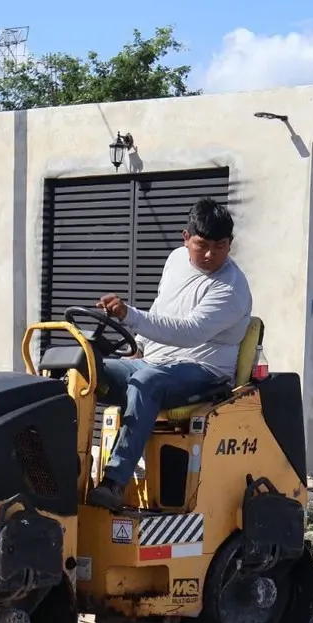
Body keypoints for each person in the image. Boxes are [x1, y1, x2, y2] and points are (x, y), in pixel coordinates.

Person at [85, 197, 252, 511]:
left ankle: (114, 482)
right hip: (154, 362)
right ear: (185, 238)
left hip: (202, 371)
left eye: (220, 246)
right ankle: (63, 471)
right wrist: (139, 346)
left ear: (230, 244)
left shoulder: (231, 288)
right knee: (83, 369)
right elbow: (162, 308)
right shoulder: (176, 260)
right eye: (201, 244)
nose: (209, 254)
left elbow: (189, 332)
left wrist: (129, 315)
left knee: (148, 381)